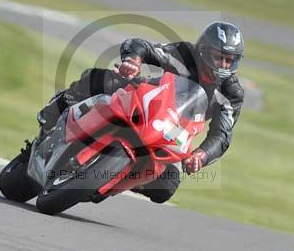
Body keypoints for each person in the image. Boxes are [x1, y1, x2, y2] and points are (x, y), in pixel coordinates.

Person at [26, 21, 245, 204]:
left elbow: (222, 135)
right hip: (149, 101)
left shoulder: (231, 93)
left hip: (175, 132)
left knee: (166, 186)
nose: (224, 65)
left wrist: (202, 155)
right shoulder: (185, 55)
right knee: (103, 79)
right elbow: (142, 46)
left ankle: (113, 179)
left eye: (230, 60)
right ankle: (54, 112)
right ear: (203, 51)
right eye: (219, 57)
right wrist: (133, 61)